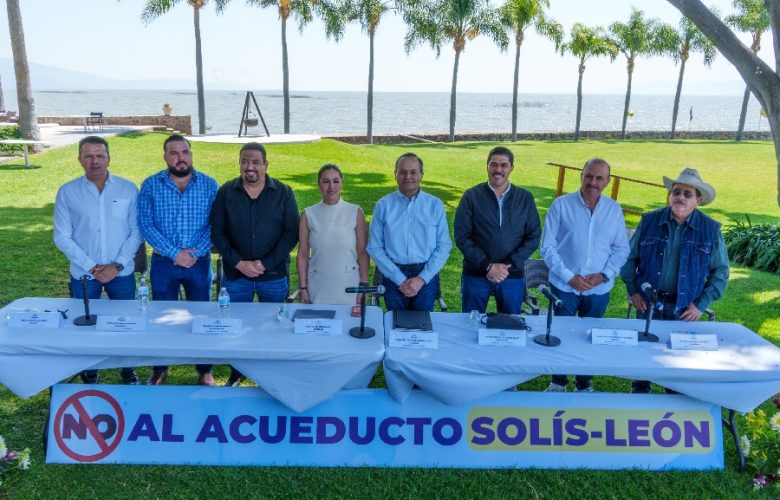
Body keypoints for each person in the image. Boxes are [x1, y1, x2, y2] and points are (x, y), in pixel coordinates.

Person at [621, 167, 729, 394]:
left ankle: (674, 404)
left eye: (687, 194)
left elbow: (721, 272)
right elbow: (628, 259)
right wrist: (633, 291)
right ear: (670, 195)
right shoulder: (649, 221)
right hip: (647, 303)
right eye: (676, 191)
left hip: (684, 308)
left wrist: (701, 304)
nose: (680, 197)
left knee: (678, 362)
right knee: (644, 355)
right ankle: (639, 395)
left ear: (698, 200)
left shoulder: (710, 229)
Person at [53, 135, 143, 385]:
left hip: (121, 273)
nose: (95, 161)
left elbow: (136, 231)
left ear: (109, 158)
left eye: (99, 155)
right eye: (88, 156)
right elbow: (62, 236)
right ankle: (89, 371)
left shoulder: (127, 188)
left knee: (126, 323)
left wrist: (117, 265)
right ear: (79, 159)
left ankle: (128, 369)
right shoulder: (68, 192)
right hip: (84, 274)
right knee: (83, 325)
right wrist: (92, 266)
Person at [210, 142, 299, 386]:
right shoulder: (226, 192)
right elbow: (218, 233)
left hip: (272, 276)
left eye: (256, 162)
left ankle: (272, 374)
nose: (250, 167)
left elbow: (291, 233)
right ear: (239, 164)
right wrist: (239, 263)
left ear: (265, 165)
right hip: (236, 277)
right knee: (235, 327)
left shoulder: (283, 192)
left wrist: (264, 263)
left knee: (275, 326)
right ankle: (237, 371)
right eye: (245, 162)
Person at [540, 158, 630, 393]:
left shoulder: (614, 210)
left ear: (608, 181)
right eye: (589, 176)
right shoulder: (561, 205)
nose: (593, 182)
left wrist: (604, 275)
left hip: (598, 289)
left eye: (599, 178)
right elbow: (547, 247)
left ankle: (583, 384)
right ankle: (558, 382)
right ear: (581, 176)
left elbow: (622, 248)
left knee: (591, 337)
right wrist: (570, 276)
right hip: (564, 285)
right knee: (561, 334)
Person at [138, 134, 218, 386]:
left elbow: (217, 223)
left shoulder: (208, 184)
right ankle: (160, 368)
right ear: (165, 157)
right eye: (174, 153)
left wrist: (193, 253)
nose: (180, 158)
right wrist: (175, 254)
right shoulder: (151, 185)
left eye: (185, 152)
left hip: (199, 262)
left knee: (201, 314)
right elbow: (145, 224)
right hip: (164, 263)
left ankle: (204, 369)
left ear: (191, 154)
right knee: (162, 316)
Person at [454, 146, 541, 314]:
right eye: (494, 164)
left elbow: (534, 236)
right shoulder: (471, 196)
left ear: (511, 168)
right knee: (471, 325)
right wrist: (488, 266)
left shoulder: (525, 198)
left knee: (510, 327)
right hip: (476, 274)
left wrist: (508, 265)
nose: (498, 170)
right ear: (487, 166)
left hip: (512, 276)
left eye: (504, 165)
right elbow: (462, 236)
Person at [367, 152, 452, 311]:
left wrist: (422, 278)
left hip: (425, 275)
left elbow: (444, 245)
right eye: (403, 172)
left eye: (413, 172)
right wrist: (399, 278)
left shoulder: (435, 205)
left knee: (422, 327)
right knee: (395, 326)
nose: (408, 176)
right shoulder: (383, 206)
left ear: (422, 175)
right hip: (393, 275)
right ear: (395, 174)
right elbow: (374, 247)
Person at [297, 164, 369, 316]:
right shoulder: (308, 215)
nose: (331, 187)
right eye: (326, 181)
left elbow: (362, 252)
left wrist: (363, 286)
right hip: (318, 285)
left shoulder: (355, 212)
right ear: (319, 184)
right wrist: (303, 288)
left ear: (342, 183)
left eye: (336, 181)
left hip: (349, 284)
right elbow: (303, 254)